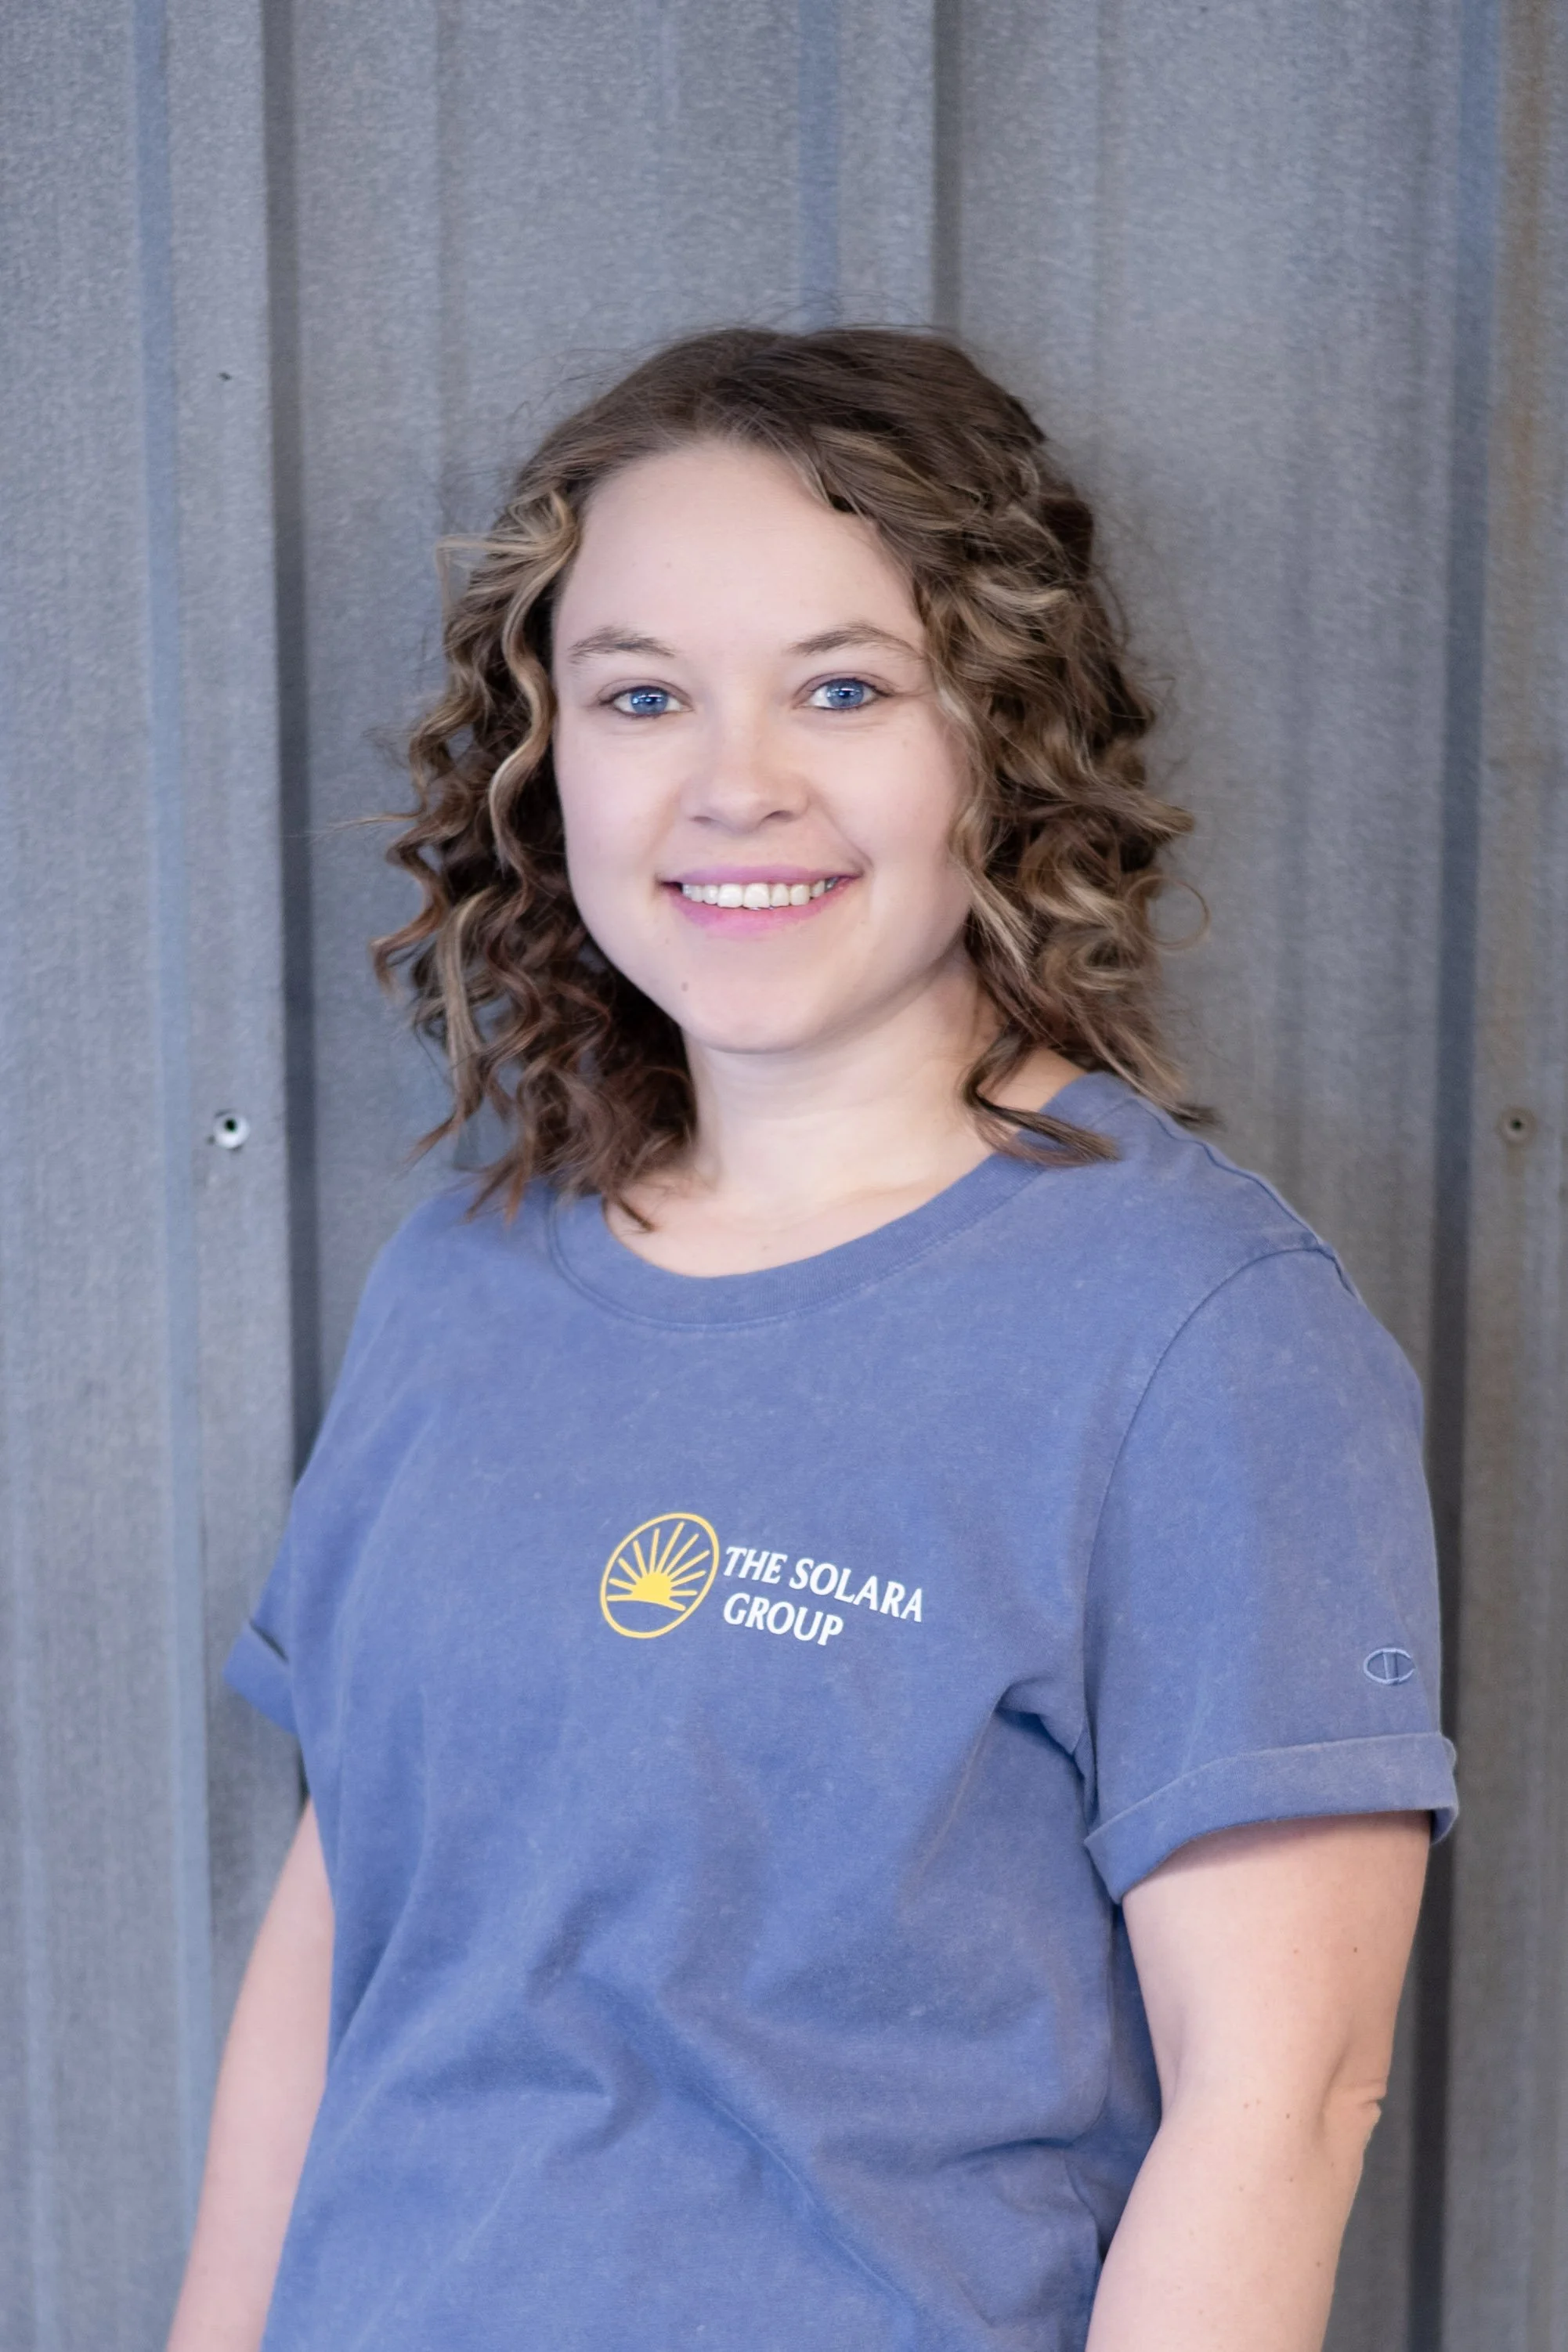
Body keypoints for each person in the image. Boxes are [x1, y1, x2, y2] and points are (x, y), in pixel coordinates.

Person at [168, 327, 1457, 2352]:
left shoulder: (1199, 1340)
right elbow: (347, 1937)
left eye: (844, 688)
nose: (733, 783)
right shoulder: (465, 1279)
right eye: (642, 695)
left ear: (1000, 742)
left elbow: (1284, 2100)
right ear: (546, 757)